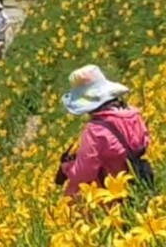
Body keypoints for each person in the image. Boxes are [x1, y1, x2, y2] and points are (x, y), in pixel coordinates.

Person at [58, 65, 151, 197]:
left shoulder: (94, 131)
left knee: (71, 196)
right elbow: (144, 142)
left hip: (113, 196)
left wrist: (67, 168)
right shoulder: (134, 114)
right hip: (141, 181)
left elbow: (84, 174)